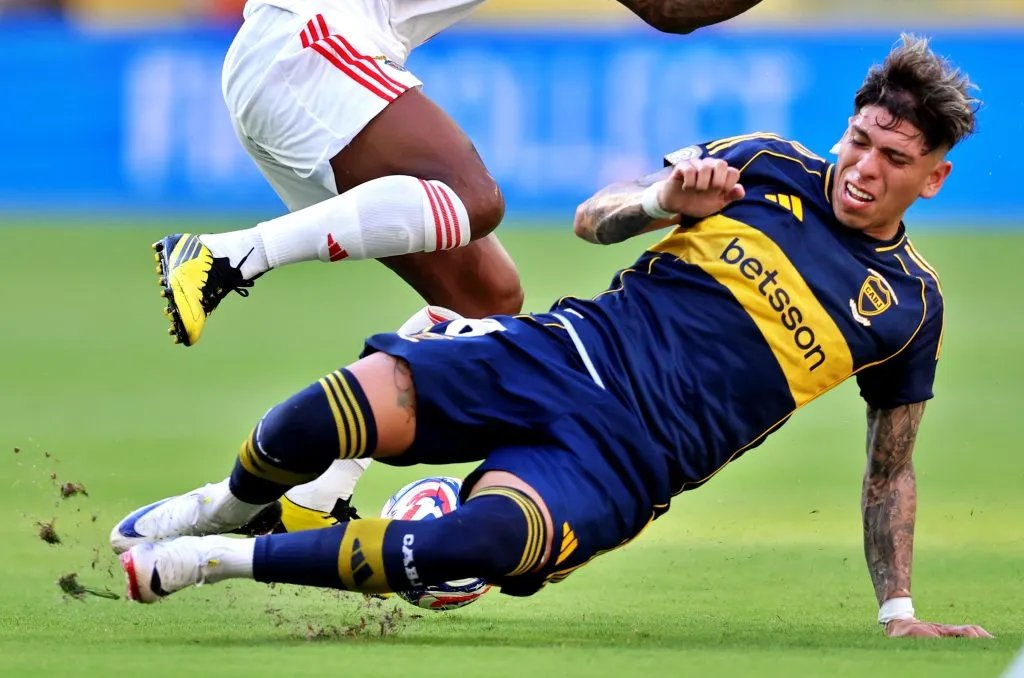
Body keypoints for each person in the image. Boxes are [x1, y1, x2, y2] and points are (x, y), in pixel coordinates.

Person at [115, 34, 990, 637]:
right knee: (317, 420)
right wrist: (659, 204)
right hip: (563, 352)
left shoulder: (907, 308)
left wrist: (898, 609)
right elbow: (593, 218)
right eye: (858, 139)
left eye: (893, 159)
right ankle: (228, 504)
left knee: (478, 545)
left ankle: (217, 559)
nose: (862, 168)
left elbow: (891, 468)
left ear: (934, 178)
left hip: (627, 463)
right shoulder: (763, 165)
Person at [157, 0, 767, 534]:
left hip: (301, 60)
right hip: (307, 42)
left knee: (486, 294)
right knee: (475, 199)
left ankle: (315, 497)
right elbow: (669, 9)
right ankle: (227, 256)